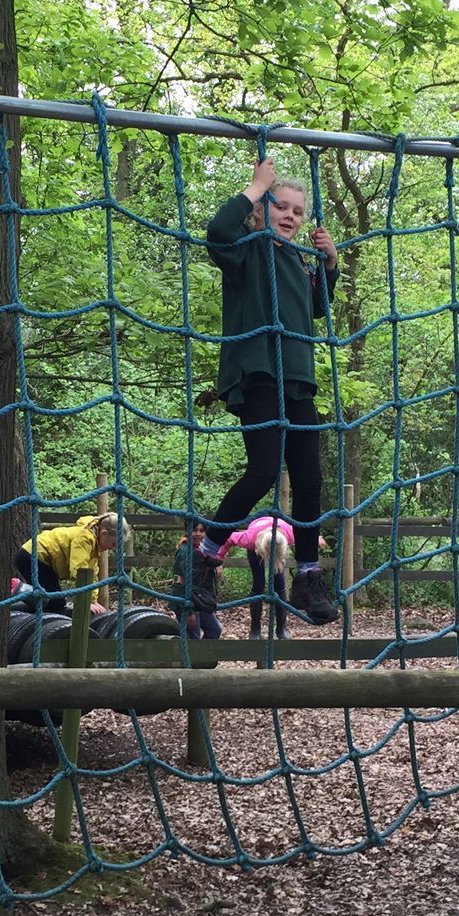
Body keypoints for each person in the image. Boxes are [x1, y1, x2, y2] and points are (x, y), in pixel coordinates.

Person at [187, 156, 341, 626]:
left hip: (296, 379)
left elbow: (317, 307)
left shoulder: (298, 260)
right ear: (262, 210)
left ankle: (308, 575)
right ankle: (206, 556)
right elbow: (217, 233)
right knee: (262, 470)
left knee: (310, 478)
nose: (291, 214)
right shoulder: (250, 248)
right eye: (281, 205)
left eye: (298, 209)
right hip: (258, 373)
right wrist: (255, 187)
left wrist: (329, 263)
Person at [15, 513, 125, 619]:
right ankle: (20, 589)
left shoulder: (93, 545)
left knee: (51, 602)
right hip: (33, 557)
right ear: (104, 533)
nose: (112, 548)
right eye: (113, 544)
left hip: (38, 559)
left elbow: (91, 574)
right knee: (56, 601)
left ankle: (12, 607)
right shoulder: (84, 538)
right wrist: (87, 602)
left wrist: (92, 600)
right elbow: (79, 570)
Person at [173, 524, 222, 640]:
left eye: (201, 531)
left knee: (214, 630)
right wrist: (188, 611)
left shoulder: (201, 550)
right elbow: (180, 583)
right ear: (186, 530)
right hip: (185, 600)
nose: (198, 534)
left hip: (199, 599)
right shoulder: (184, 552)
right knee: (194, 637)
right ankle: (194, 657)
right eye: (194, 530)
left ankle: (204, 658)